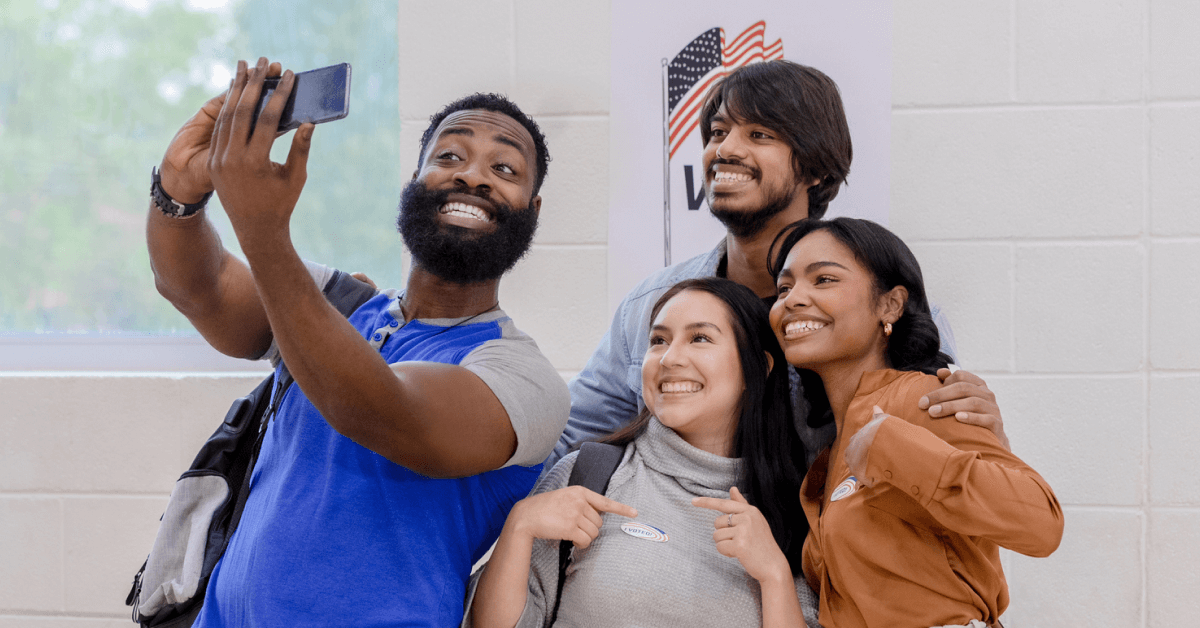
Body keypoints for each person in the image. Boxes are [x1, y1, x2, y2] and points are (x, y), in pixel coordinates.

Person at [146, 57, 569, 627]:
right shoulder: (336, 303)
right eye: (449, 156)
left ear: (532, 210)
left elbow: (382, 411)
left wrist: (263, 228)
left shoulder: (525, 379)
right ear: (415, 181)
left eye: (505, 168)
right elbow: (196, 285)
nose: (472, 176)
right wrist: (179, 191)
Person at [555, 60, 1008, 471]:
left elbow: (955, 465)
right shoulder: (652, 302)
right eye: (717, 132)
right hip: (685, 553)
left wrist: (984, 432)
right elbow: (567, 443)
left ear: (815, 170)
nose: (725, 150)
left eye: (760, 135)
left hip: (823, 559)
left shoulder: (877, 304)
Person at [465, 278, 821, 628]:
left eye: (700, 338)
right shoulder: (588, 475)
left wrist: (775, 575)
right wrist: (520, 525)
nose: (669, 357)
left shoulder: (794, 510)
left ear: (757, 367)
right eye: (658, 340)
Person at [768, 217, 1063, 628]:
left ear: (889, 305)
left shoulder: (926, 399)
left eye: (824, 280)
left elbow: (1041, 524)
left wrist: (894, 445)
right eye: (784, 288)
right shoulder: (826, 460)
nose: (793, 299)